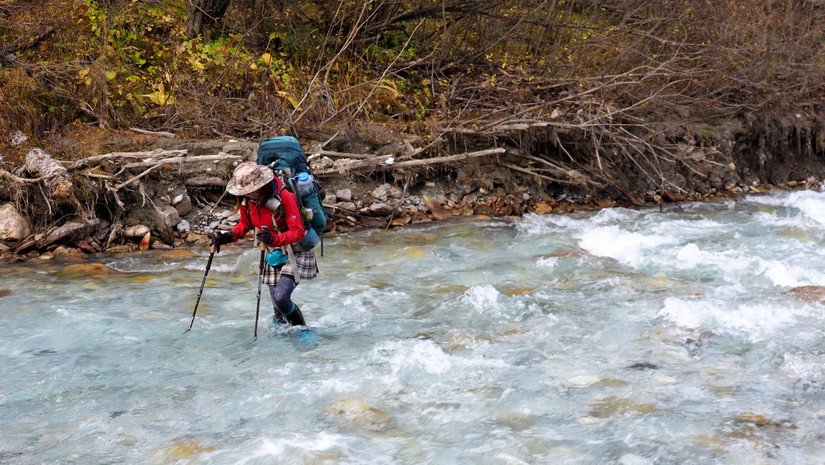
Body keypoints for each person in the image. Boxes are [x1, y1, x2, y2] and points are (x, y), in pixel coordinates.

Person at [210, 161, 318, 326]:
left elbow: (298, 231)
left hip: (295, 250)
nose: (248, 195)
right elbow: (244, 225)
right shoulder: (248, 202)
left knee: (281, 298)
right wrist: (226, 237)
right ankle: (282, 338)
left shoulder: (285, 197)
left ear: (262, 186)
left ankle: (303, 331)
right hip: (273, 252)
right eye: (245, 192)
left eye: (251, 191)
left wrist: (274, 240)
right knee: (278, 309)